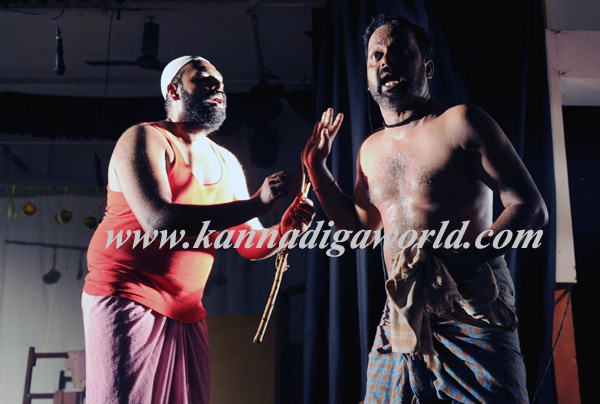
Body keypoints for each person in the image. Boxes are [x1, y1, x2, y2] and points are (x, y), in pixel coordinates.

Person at [302, 15, 548, 404]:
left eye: (400, 51)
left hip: (470, 303)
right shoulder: (370, 149)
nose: (386, 61)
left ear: (427, 67)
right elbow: (361, 229)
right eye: (376, 55)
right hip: (402, 307)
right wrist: (317, 168)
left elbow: (529, 206)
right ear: (367, 77)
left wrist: (465, 260)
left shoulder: (460, 122)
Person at [82, 55, 314, 404]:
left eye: (220, 81)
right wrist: (257, 203)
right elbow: (159, 221)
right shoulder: (144, 137)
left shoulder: (227, 162)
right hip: (127, 293)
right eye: (204, 79)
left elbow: (249, 242)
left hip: (186, 309)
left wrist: (288, 226)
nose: (217, 85)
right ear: (174, 91)